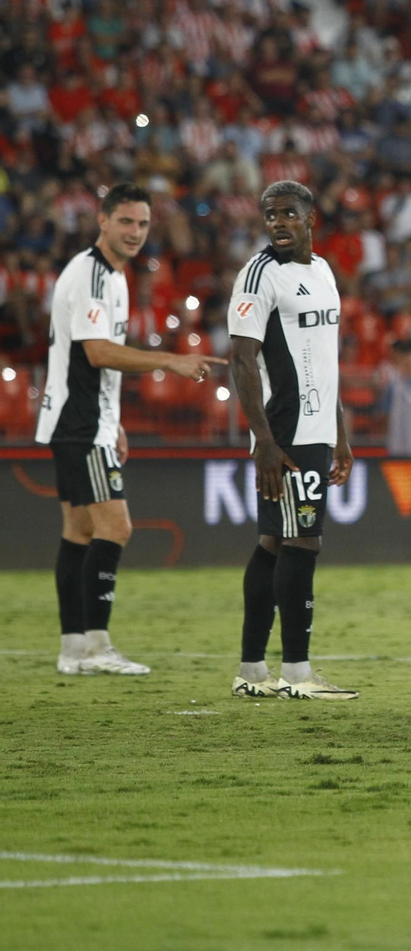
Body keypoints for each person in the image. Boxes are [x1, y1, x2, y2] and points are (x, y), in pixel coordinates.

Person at [37, 182, 225, 676]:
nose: (136, 232)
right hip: (79, 423)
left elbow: (93, 358)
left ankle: (74, 648)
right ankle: (97, 647)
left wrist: (114, 418)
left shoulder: (111, 277)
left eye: (142, 223)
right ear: (102, 220)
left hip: (80, 419)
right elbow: (98, 352)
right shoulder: (95, 275)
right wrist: (172, 362)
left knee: (78, 531)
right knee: (116, 527)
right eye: (126, 221)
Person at [227, 180, 357, 700]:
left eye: (287, 214)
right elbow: (241, 360)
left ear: (310, 218)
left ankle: (252, 671)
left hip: (316, 431)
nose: (278, 222)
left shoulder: (322, 272)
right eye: (269, 215)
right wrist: (263, 440)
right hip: (286, 432)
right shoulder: (259, 276)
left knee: (273, 543)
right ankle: (298, 675)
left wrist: (340, 436)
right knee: (303, 543)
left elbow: (325, 362)